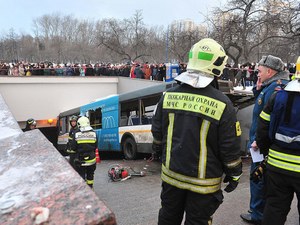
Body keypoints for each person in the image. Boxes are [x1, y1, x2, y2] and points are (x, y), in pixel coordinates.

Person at [151, 38, 243, 225]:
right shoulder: (223, 104)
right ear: (217, 66)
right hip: (204, 184)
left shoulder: (168, 96)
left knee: (168, 218)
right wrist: (234, 174)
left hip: (172, 177)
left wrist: (158, 153)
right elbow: (229, 147)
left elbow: (157, 133)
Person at [240, 55, 290, 224]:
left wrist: (260, 142)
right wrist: (258, 90)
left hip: (261, 144)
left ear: (270, 71)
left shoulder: (276, 89)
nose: (257, 74)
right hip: (262, 142)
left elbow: (269, 118)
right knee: (263, 179)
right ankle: (259, 211)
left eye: (260, 71)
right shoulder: (272, 86)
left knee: (258, 178)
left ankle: (257, 214)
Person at [255, 56, 300, 225]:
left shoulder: (278, 95)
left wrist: (267, 151)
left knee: (274, 209)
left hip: (276, 166)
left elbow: (262, 127)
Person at [71, 116, 97, 188]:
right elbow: (95, 146)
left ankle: (83, 190)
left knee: (81, 174)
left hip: (81, 159)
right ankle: (90, 187)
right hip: (91, 159)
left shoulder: (76, 134)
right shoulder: (94, 133)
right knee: (90, 174)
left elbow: (73, 147)